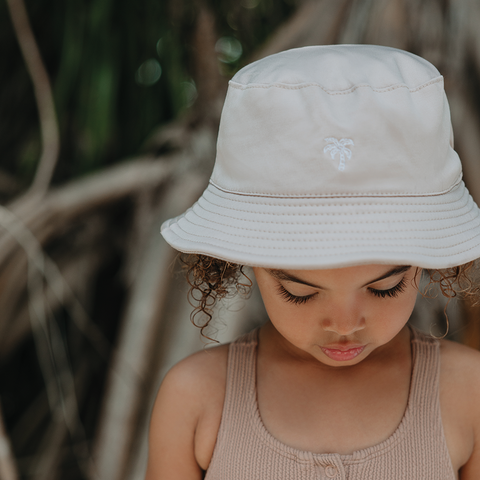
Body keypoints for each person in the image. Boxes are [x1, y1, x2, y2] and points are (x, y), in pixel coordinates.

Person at [145, 45, 480, 479]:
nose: (344, 324)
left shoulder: (468, 394)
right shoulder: (196, 400)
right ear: (245, 263)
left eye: (384, 288)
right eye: (299, 292)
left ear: (424, 263)